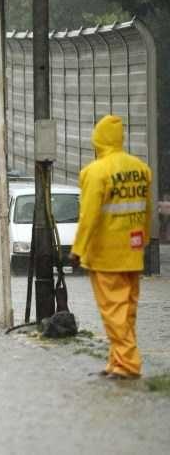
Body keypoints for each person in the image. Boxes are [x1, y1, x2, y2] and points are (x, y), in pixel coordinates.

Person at [70, 115, 152, 381]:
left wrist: (78, 248)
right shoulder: (141, 168)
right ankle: (118, 362)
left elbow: (89, 216)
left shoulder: (95, 172)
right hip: (134, 250)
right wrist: (146, 241)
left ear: (98, 140)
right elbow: (147, 211)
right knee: (127, 310)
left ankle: (128, 364)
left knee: (113, 311)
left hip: (106, 255)